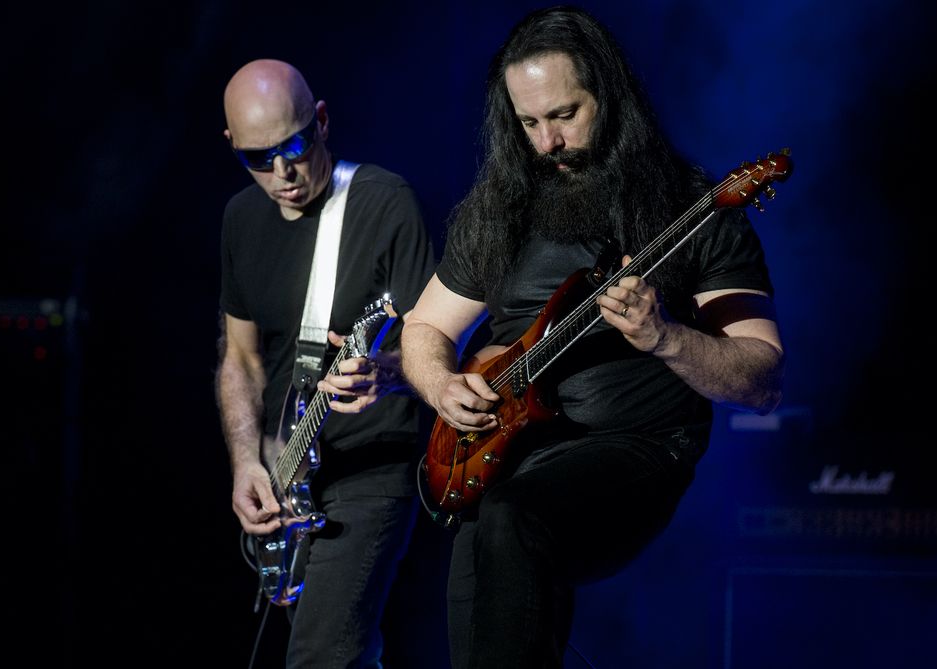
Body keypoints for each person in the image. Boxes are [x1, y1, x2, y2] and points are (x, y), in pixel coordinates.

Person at [400, 7, 784, 668]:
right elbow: (423, 327)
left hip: (634, 448)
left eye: (564, 115)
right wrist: (442, 384)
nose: (546, 141)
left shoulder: (690, 209)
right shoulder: (499, 211)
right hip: (505, 452)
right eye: (528, 123)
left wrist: (664, 336)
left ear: (608, 95)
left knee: (516, 516)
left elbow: (763, 379)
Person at [216, 59, 434, 667]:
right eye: (259, 158)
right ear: (232, 147)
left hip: (372, 468)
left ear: (321, 121)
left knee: (319, 658)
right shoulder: (240, 219)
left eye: (293, 146)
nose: (282, 173)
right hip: (288, 478)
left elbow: (443, 349)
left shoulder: (384, 204)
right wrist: (245, 464)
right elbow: (240, 356)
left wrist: (387, 372)